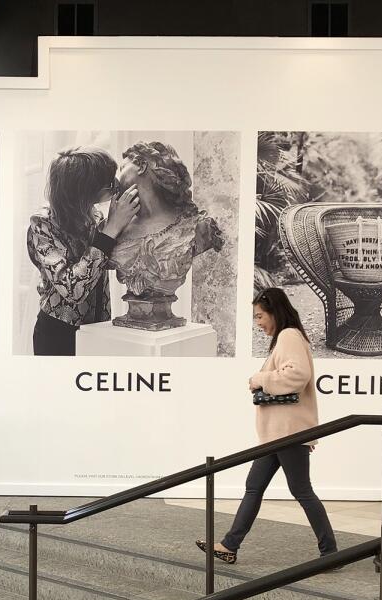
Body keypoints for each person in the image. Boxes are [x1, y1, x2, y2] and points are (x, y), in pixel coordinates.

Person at [196, 288, 338, 565]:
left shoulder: (288, 336)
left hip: (288, 432)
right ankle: (229, 545)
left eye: (260, 316)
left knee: (301, 490)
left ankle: (330, 552)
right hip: (277, 433)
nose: (258, 322)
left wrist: (260, 378)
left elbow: (298, 374)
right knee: (254, 486)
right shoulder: (288, 337)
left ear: (274, 311)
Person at [26, 147, 139, 355]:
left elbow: (111, 259)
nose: (115, 187)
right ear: (84, 189)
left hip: (98, 329)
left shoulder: (94, 216)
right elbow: (72, 290)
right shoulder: (42, 224)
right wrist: (112, 228)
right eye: (109, 182)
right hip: (58, 334)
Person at [110, 141, 223, 323]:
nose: (117, 179)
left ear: (141, 165)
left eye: (122, 168)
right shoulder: (113, 228)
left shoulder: (196, 227)